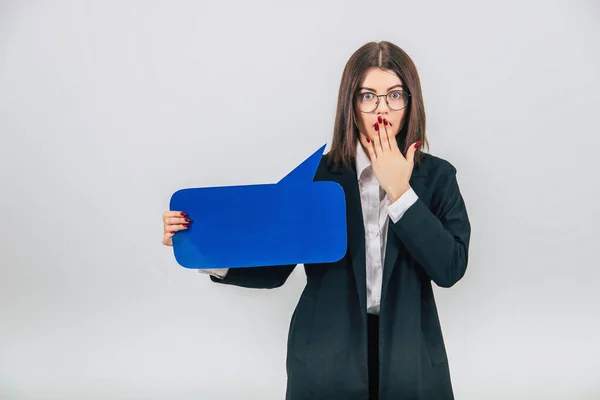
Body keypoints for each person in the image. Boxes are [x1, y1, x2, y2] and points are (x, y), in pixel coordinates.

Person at [162, 40, 471, 400]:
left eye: (394, 95)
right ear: (350, 104)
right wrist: (202, 245)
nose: (381, 109)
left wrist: (401, 192)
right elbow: (275, 269)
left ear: (411, 101)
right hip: (327, 356)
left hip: (410, 355)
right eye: (367, 96)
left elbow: (450, 268)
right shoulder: (317, 178)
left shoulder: (438, 177)